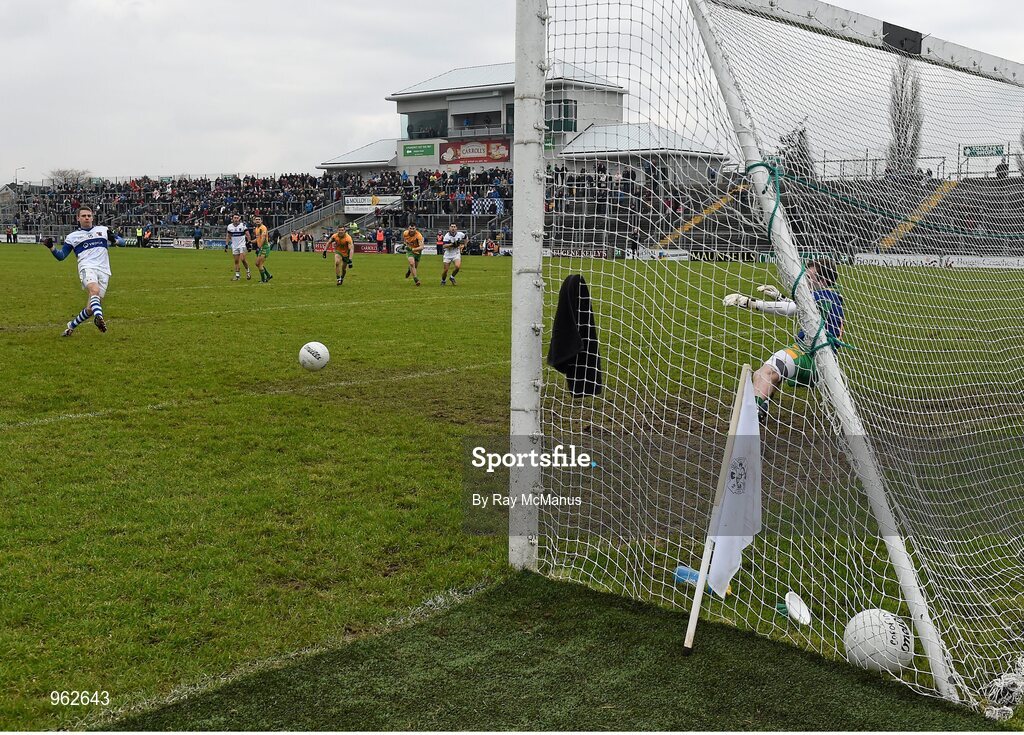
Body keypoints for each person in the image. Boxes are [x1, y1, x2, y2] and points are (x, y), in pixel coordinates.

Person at [722, 259, 844, 421]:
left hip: (810, 355)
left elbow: (792, 309)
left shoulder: (823, 295)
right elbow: (804, 308)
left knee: (767, 371)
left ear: (824, 281)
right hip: (821, 358)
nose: (804, 281)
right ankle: (761, 407)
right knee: (764, 373)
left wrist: (750, 303)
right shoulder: (830, 296)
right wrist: (780, 297)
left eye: (809, 277)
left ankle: (753, 413)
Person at [44, 205, 117, 337]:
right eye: (83, 216)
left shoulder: (103, 230)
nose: (87, 218)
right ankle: (99, 317)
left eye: (89, 215)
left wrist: (115, 239)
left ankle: (70, 326)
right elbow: (61, 256)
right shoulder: (73, 237)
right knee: (94, 291)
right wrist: (51, 247)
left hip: (104, 271)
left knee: (90, 308)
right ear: (78, 218)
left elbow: (122, 243)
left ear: (92, 217)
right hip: (87, 267)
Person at [226, 213, 251, 280]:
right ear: (232, 219)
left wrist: (249, 243)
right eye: (235, 218)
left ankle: (248, 272)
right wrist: (226, 244)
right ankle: (237, 276)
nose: (236, 219)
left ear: (239, 218)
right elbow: (228, 236)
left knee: (242, 259)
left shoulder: (243, 225)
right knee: (236, 261)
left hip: (242, 245)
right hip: (234, 246)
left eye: (237, 218)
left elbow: (248, 234)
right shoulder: (229, 226)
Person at [252, 215, 273, 283]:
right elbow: (258, 238)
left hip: (265, 248)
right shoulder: (256, 229)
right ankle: (268, 275)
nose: (257, 220)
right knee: (257, 264)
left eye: (259, 219)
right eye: (256, 219)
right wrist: (250, 241)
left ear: (261, 221)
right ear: (254, 221)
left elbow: (263, 238)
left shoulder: (263, 228)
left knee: (260, 264)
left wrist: (260, 247)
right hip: (261, 248)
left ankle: (263, 280)